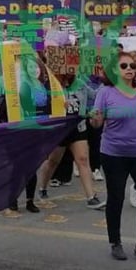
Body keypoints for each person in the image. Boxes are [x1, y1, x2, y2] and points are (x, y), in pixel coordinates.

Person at [90, 51, 136, 264]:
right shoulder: (105, 92)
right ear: (114, 70)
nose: (129, 69)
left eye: (132, 65)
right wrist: (96, 117)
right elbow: (96, 124)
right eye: (124, 66)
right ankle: (115, 242)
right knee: (116, 198)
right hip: (113, 154)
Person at [39, 72, 105, 209]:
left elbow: (94, 95)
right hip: (59, 129)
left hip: (78, 127)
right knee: (53, 161)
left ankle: (91, 197)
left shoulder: (81, 83)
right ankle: (42, 187)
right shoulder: (52, 84)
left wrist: (105, 80)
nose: (68, 74)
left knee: (82, 159)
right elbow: (42, 103)